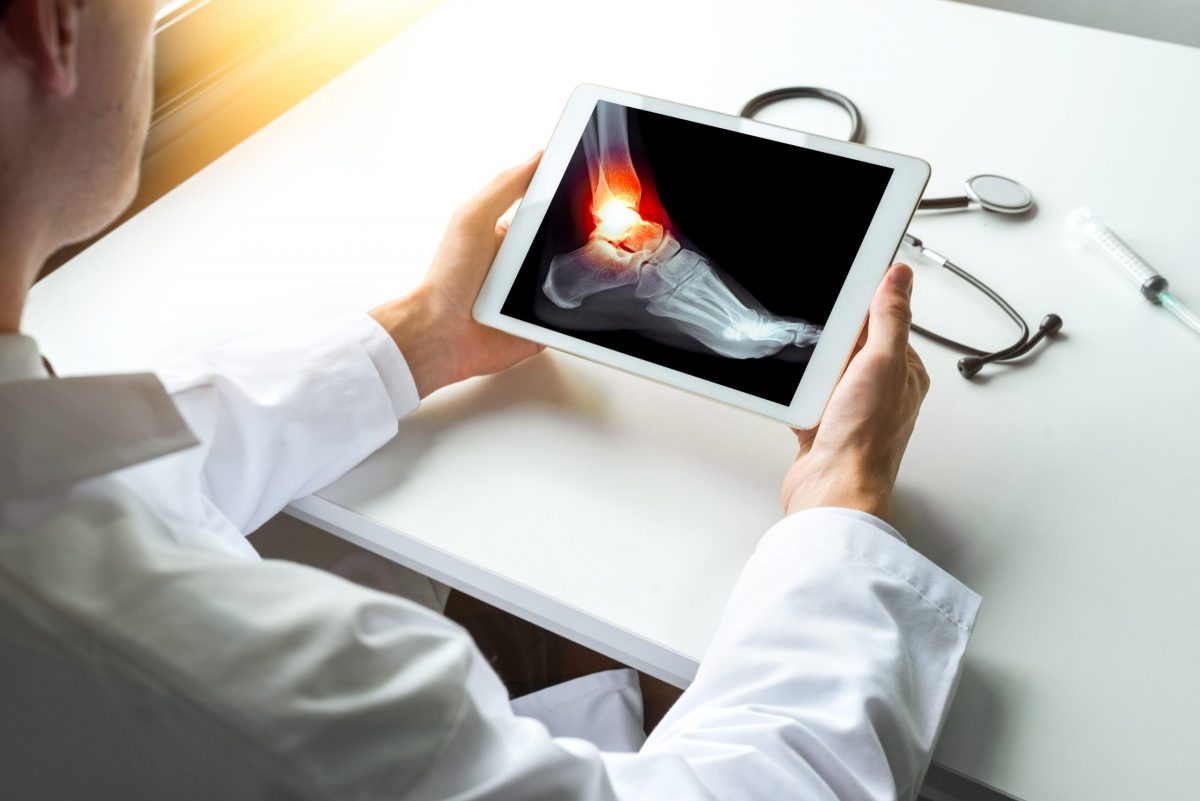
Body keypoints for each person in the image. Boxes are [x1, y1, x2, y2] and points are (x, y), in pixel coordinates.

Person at [0, 1, 979, 799]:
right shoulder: (214, 688)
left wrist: (423, 336)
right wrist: (841, 507)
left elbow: (97, 478)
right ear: (54, 29)